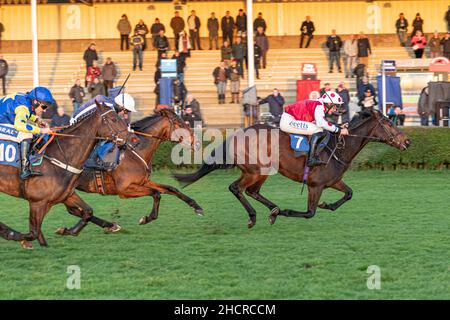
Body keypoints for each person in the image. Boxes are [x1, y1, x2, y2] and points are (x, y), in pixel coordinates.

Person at [280, 92, 348, 167]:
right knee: (319, 130)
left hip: (290, 119)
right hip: (288, 121)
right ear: (329, 103)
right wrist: (339, 130)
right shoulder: (319, 106)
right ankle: (311, 159)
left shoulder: (319, 104)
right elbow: (321, 123)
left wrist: (338, 127)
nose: (335, 110)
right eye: (335, 106)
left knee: (320, 129)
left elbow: (322, 122)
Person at [0, 87, 54, 179]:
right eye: (44, 106)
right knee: (26, 134)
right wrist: (41, 130)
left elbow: (24, 114)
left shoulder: (26, 99)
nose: (44, 110)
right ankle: (24, 170)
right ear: (36, 102)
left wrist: (37, 120)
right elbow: (19, 125)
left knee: (31, 130)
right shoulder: (23, 107)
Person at [76, 92, 136, 170]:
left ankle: (98, 158)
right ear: (121, 106)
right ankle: (90, 160)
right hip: (77, 122)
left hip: (87, 121)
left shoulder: (112, 105)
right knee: (108, 133)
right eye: (126, 111)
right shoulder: (108, 107)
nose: (126, 115)